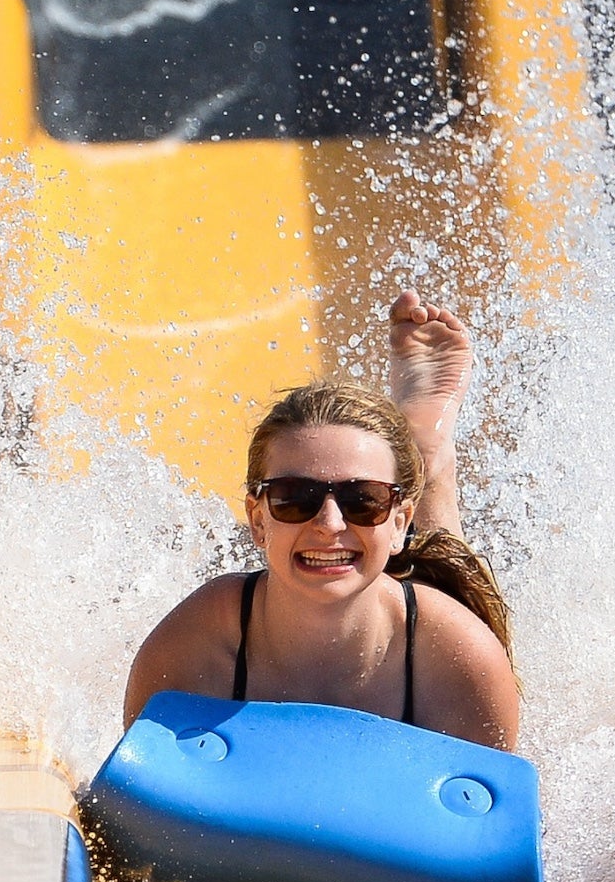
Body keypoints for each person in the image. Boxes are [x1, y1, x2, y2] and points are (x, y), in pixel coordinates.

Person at [123, 292, 519, 750]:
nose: (329, 522)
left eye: (363, 500)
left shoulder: (460, 659)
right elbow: (131, 809)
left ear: (398, 523)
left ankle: (428, 455)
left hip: (425, 639)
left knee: (446, 579)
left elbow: (494, 814)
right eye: (295, 498)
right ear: (257, 519)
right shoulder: (197, 646)